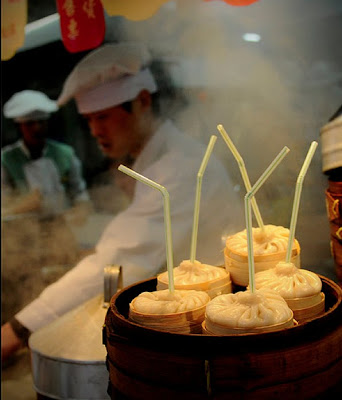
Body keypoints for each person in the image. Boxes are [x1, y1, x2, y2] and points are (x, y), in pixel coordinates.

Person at [1, 42, 244, 360]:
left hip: (216, 328)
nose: (95, 131)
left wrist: (15, 331)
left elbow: (116, 261)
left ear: (143, 101)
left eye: (102, 117)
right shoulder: (155, 161)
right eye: (88, 120)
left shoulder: (178, 167)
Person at [1, 90, 90, 217]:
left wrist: (82, 208)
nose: (37, 128)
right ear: (19, 126)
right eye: (30, 124)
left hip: (63, 226)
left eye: (41, 122)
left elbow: (79, 192)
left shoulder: (64, 154)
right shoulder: (6, 160)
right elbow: (4, 207)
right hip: (23, 230)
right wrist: (20, 206)